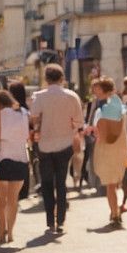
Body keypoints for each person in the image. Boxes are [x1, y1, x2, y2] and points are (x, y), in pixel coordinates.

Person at [31, 64, 84, 234]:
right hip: (65, 144)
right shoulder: (71, 96)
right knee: (61, 183)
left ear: (46, 79)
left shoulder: (39, 96)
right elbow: (78, 122)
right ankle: (60, 220)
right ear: (62, 78)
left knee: (47, 183)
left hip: (45, 145)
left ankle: (49, 220)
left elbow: (34, 118)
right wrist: (69, 128)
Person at [89, 77, 127, 227]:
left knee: (110, 184)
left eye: (97, 89)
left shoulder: (105, 107)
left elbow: (100, 130)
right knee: (115, 182)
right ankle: (115, 210)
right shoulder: (120, 105)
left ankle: (114, 212)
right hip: (120, 148)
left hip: (107, 148)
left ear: (104, 89)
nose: (95, 92)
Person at [0, 89, 28, 244]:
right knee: (13, 199)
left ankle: (1, 230)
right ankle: (11, 232)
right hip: (21, 157)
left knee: (1, 199)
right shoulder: (23, 112)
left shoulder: (0, 114)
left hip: (4, 158)